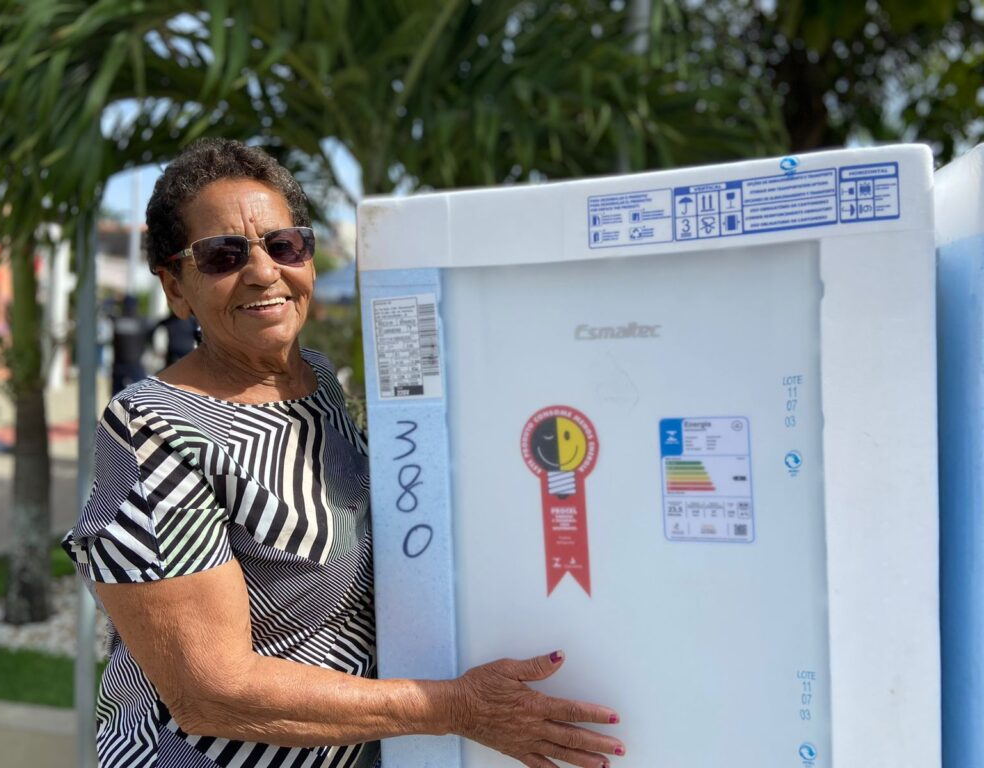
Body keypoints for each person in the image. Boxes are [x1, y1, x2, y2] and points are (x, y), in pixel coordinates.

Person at [63, 138, 624, 768]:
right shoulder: (152, 428)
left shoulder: (318, 380)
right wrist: (456, 709)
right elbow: (211, 691)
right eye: (223, 255)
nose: (263, 272)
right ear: (175, 287)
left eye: (284, 245)